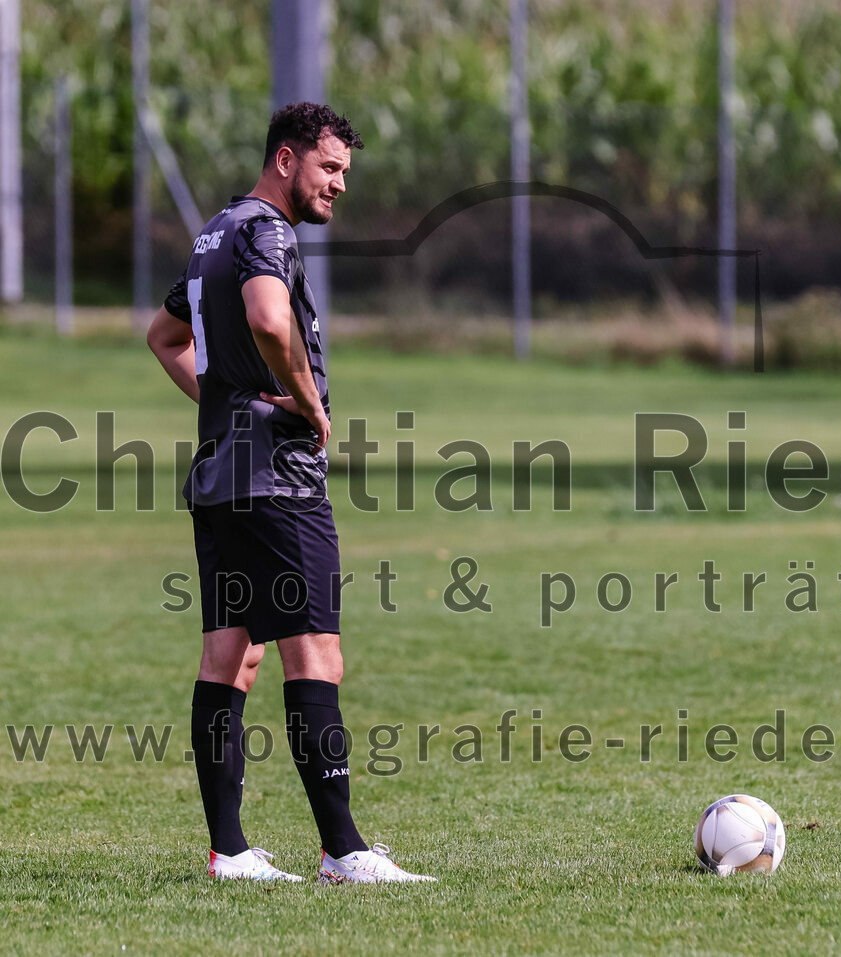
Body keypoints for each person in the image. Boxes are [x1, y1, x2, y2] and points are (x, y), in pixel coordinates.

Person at [147, 101, 434, 884]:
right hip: (277, 478)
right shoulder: (268, 232)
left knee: (229, 659)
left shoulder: (216, 233)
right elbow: (270, 320)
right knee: (317, 654)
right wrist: (308, 405)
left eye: (344, 171)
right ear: (285, 159)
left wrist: (227, 402)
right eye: (329, 167)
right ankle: (344, 850)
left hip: (220, 474)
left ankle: (230, 852)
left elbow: (164, 337)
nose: (339, 183)